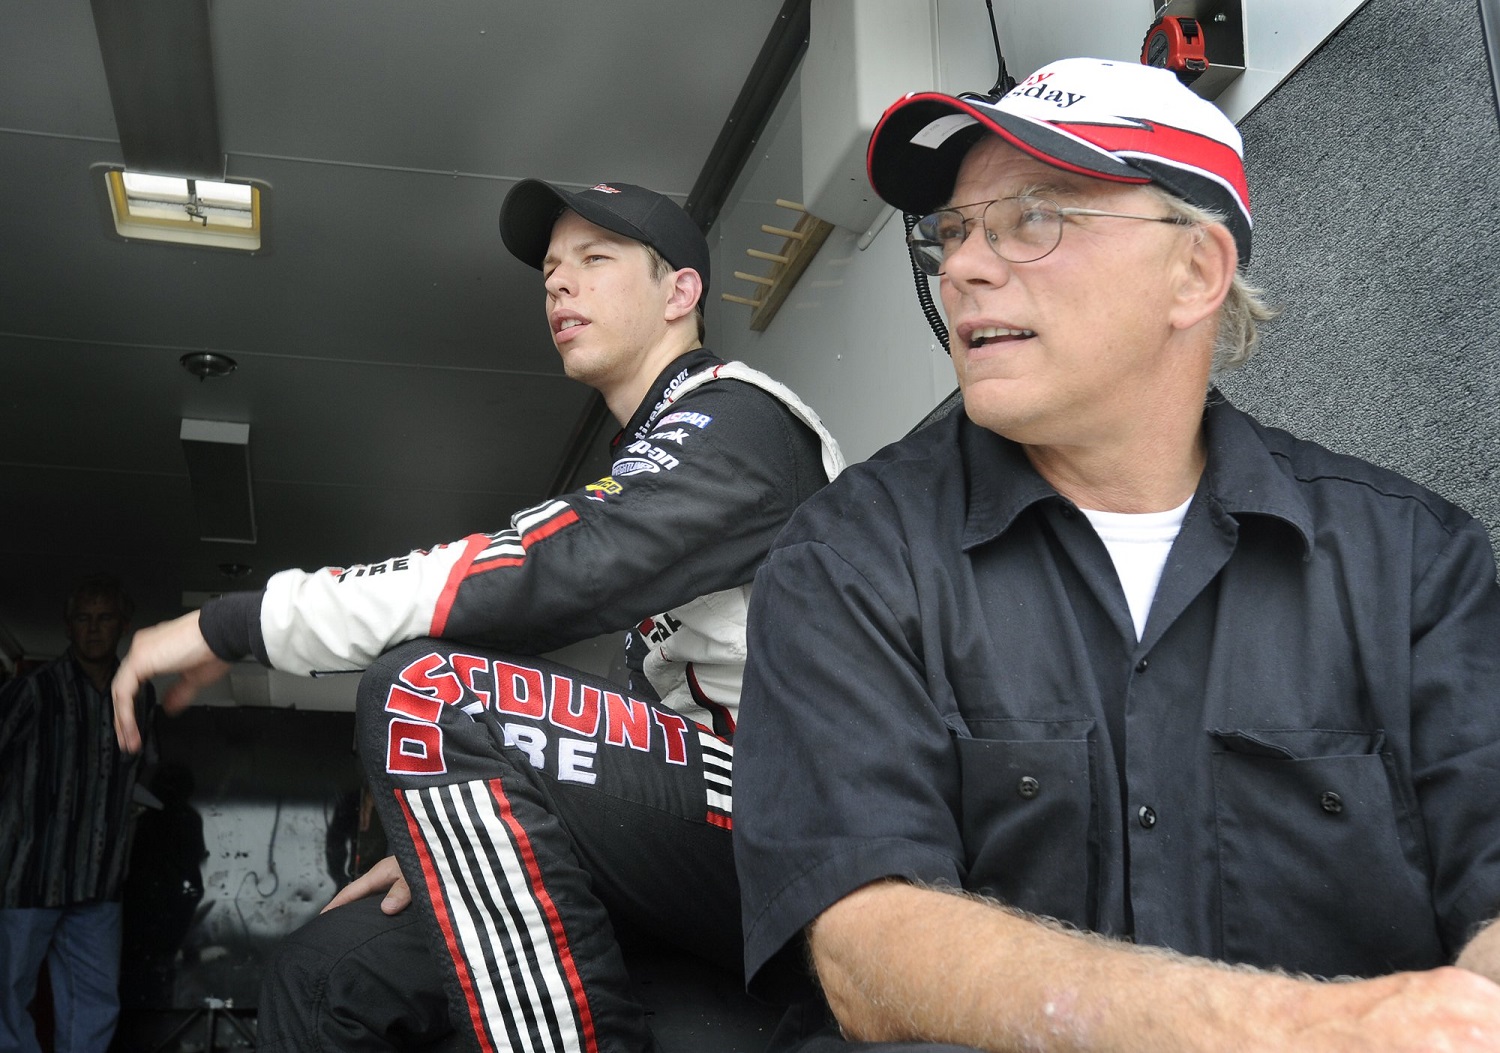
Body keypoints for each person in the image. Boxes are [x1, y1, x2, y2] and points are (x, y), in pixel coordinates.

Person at [733, 57, 1500, 1052]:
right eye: (956, 232)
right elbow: (869, 948)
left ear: (1196, 272)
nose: (963, 266)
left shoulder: (1413, 561)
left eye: (1034, 218)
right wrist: (1308, 1028)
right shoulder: (851, 555)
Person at [112, 179, 844, 1051]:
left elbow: (535, 573)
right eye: (549, 273)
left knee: (425, 689)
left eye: (595, 261)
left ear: (680, 291)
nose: (559, 287)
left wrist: (230, 624)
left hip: (799, 831)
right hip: (704, 832)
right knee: (322, 972)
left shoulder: (742, 422)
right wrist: (457, 841)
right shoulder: (659, 445)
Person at [1, 574, 156, 1053]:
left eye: (104, 618)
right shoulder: (32, 690)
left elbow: (139, 773)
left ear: (123, 626)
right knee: (7, 997)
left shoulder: (139, 694)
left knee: (95, 1001)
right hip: (29, 876)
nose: (93, 629)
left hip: (100, 881)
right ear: (68, 627)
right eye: (83, 619)